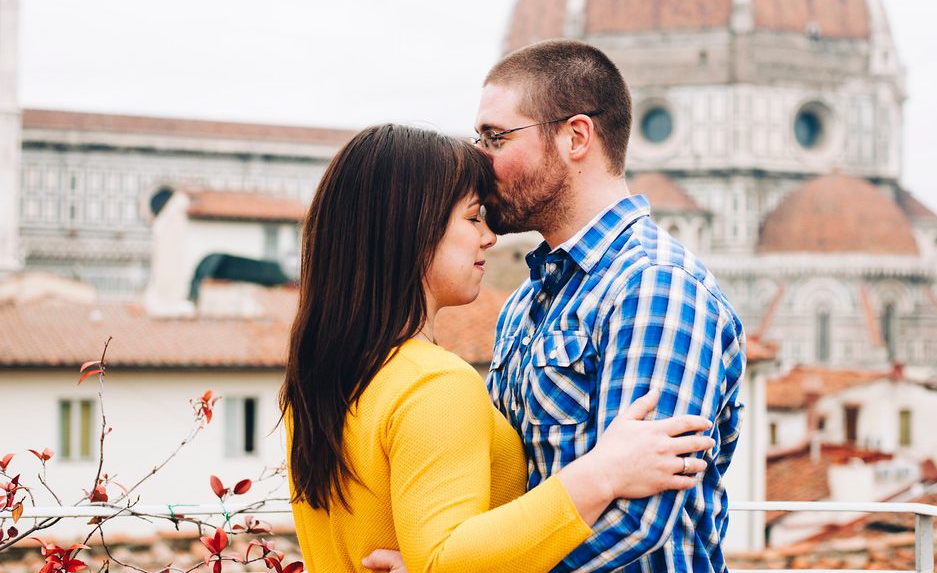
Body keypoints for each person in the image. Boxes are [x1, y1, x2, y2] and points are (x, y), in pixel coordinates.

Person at [280, 124, 718, 573]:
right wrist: (600, 473)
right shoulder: (435, 385)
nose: (489, 237)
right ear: (410, 231)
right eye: (473, 217)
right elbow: (443, 558)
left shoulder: (321, 382)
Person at [473, 39, 748, 572]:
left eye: (496, 138)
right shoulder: (525, 303)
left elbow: (635, 521)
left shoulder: (656, 289)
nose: (478, 160)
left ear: (576, 136)